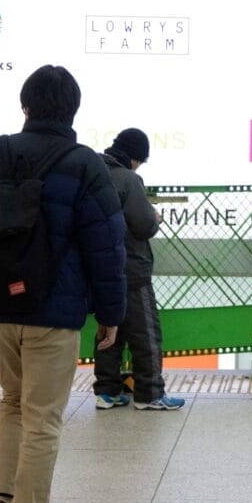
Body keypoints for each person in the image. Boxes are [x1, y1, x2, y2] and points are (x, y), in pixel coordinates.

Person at [0, 65, 124, 503]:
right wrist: (110, 313)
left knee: (13, 403)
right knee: (44, 420)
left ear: (25, 106)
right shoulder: (84, 164)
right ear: (72, 109)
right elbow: (106, 245)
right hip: (55, 312)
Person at [93, 127, 183, 412]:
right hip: (131, 268)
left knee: (109, 329)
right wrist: (155, 217)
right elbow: (143, 225)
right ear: (134, 157)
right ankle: (149, 393)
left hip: (98, 267)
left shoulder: (94, 171)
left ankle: (106, 391)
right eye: (141, 160)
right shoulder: (128, 179)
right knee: (146, 333)